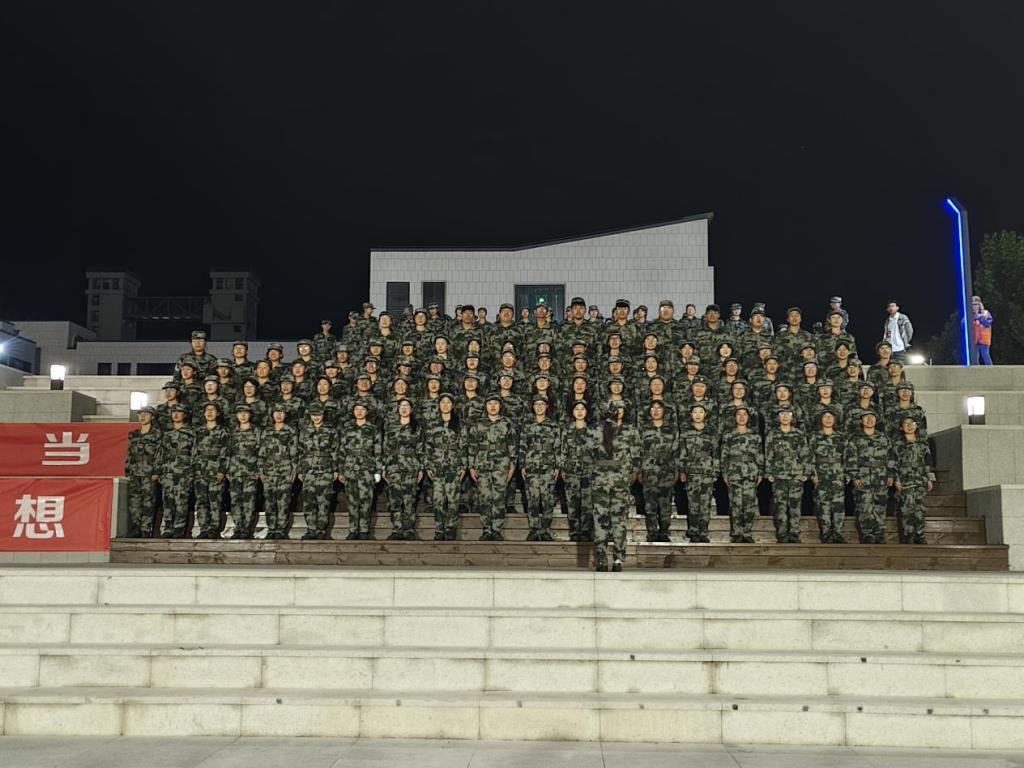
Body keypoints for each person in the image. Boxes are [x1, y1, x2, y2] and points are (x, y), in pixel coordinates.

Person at [590, 403, 641, 571]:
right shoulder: (627, 431)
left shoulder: (595, 430)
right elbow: (635, 458)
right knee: (615, 521)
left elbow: (587, 456)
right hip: (617, 481)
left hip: (604, 481)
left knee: (603, 521)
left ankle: (605, 559)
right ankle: (615, 559)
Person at [468, 395, 517, 541]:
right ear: (485, 406)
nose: (493, 406)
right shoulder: (478, 424)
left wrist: (512, 466)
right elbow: (472, 446)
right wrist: (471, 466)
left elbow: (513, 447)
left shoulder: (507, 424)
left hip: (501, 465)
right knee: (484, 498)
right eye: (490, 403)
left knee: (499, 498)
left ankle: (496, 529)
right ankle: (486, 529)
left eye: (496, 403)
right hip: (482, 465)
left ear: (500, 406)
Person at [844, 412, 894, 544]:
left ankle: (879, 533)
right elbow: (851, 458)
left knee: (880, 506)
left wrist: (890, 474)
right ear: (861, 421)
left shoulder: (883, 438)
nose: (870, 420)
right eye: (866, 418)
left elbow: (891, 457)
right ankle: (867, 534)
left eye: (872, 417)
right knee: (864, 506)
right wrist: (854, 476)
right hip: (863, 476)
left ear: (876, 420)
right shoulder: (854, 438)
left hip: (881, 476)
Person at [518, 396, 561, 541]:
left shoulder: (554, 426)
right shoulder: (527, 426)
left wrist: (557, 466)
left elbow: (558, 447)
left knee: (548, 500)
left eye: (542, 404)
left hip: (548, 467)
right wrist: (522, 465)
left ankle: (546, 529)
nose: (540, 407)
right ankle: (534, 530)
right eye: (537, 404)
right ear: (533, 406)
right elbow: (522, 446)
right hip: (531, 467)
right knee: (533, 500)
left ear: (547, 406)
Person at [765, 406, 811, 543]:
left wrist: (806, 473)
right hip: (779, 476)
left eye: (788, 414)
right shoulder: (772, 434)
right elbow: (768, 455)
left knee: (795, 507)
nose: (785, 416)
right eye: (782, 414)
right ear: (778, 417)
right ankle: (782, 534)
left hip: (796, 476)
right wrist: (769, 472)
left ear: (792, 417)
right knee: (780, 507)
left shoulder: (799, 434)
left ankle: (794, 534)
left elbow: (805, 454)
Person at [422, 394, 464, 540]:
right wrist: (428, 465)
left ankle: (451, 528)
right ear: (439, 405)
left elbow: (464, 445)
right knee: (438, 500)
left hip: (454, 466)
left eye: (448, 402)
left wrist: (464, 465)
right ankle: (439, 529)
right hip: (437, 466)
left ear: (453, 405)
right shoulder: (433, 423)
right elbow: (428, 446)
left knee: (453, 501)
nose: (445, 405)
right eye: (443, 402)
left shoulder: (459, 423)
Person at [719, 406, 764, 543]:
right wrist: (724, 472)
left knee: (749, 505)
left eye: (745, 414)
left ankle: (747, 532)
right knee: (735, 504)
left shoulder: (755, 436)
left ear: (749, 417)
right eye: (739, 414)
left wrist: (760, 472)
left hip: (751, 473)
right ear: (735, 417)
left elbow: (759, 455)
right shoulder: (728, 436)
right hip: (734, 473)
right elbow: (724, 455)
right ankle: (737, 532)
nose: (742, 417)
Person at [297, 403, 339, 540]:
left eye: (319, 414)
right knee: (308, 501)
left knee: (324, 501)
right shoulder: (304, 430)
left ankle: (321, 530)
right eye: (313, 414)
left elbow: (335, 450)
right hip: (308, 470)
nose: (316, 417)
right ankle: (311, 530)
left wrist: (335, 469)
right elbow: (300, 451)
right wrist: (300, 470)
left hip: (325, 469)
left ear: (323, 415)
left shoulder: (331, 430)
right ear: (310, 415)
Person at [639, 401, 679, 543]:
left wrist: (677, 470)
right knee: (650, 506)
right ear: (649, 411)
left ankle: (664, 533)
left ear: (664, 411)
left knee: (665, 506)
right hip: (649, 473)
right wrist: (638, 470)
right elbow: (638, 451)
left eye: (659, 409)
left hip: (667, 473)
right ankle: (652, 533)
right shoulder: (643, 429)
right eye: (653, 408)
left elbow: (676, 451)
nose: (656, 411)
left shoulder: (671, 429)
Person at [679, 403, 719, 543]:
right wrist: (682, 470)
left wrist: (716, 471)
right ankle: (693, 531)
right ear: (691, 414)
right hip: (691, 473)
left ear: (705, 414)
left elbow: (716, 453)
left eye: (700, 412)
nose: (697, 415)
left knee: (705, 504)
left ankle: (703, 532)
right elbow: (682, 453)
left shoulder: (712, 431)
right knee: (692, 504)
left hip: (707, 473)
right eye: (695, 412)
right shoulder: (685, 432)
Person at [382, 399, 421, 540]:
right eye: (401, 406)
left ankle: (408, 530)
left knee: (409, 500)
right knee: (394, 500)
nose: (404, 408)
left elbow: (421, 448)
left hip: (411, 467)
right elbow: (385, 448)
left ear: (411, 409)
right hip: (394, 467)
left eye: (407, 406)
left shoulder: (417, 427)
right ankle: (397, 529)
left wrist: (421, 468)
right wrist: (384, 467)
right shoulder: (391, 427)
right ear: (398, 409)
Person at [891, 416, 934, 544]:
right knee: (907, 510)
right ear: (901, 428)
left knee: (920, 510)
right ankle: (908, 536)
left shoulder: (923, 443)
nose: (909, 426)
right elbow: (893, 463)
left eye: (912, 423)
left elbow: (928, 461)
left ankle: (920, 535)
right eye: (906, 423)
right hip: (905, 481)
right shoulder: (897, 444)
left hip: (920, 480)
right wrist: (896, 479)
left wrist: (929, 478)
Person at [258, 403, 298, 539]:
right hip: (269, 471)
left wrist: (294, 470)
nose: (279, 415)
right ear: (272, 414)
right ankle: (271, 529)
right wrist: (260, 470)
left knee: (283, 501)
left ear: (285, 415)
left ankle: (281, 529)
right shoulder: (266, 431)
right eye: (276, 412)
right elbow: (261, 452)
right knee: (269, 501)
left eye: (281, 412)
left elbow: (294, 452)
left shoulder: (291, 431)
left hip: (285, 470)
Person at [155, 404, 195, 538]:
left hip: (184, 473)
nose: (176, 415)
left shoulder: (191, 433)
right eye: (174, 412)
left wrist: (191, 473)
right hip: (168, 473)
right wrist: (158, 471)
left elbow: (195, 454)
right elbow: (160, 454)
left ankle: (179, 528)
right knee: (168, 501)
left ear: (185, 415)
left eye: (179, 412)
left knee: (181, 501)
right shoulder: (166, 434)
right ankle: (168, 528)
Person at [559, 401, 596, 542]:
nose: (579, 412)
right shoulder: (567, 431)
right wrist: (563, 468)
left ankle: (586, 532)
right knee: (572, 504)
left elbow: (597, 453)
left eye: (582, 409)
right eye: (576, 409)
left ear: (587, 411)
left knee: (587, 505)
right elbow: (563, 451)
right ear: (572, 412)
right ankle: (574, 532)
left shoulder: (593, 431)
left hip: (588, 472)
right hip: (571, 472)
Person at [810, 409, 847, 543]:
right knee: (823, 504)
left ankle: (837, 533)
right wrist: (813, 473)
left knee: (838, 505)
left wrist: (846, 474)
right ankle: (826, 533)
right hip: (821, 473)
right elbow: (809, 456)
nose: (828, 419)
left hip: (838, 474)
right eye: (825, 417)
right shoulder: (814, 437)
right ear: (821, 420)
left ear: (835, 420)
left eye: (831, 417)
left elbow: (847, 457)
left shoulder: (841, 437)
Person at [124, 406, 161, 538]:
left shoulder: (157, 434)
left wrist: (156, 471)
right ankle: (136, 527)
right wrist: (127, 468)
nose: (143, 417)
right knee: (134, 501)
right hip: (135, 471)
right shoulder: (133, 434)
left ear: (152, 417)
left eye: (146, 414)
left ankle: (146, 529)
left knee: (148, 501)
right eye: (141, 414)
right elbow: (129, 453)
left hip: (149, 473)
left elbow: (159, 454)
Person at [192, 402, 228, 539]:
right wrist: (194, 470)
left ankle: (214, 528)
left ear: (217, 413)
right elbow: (194, 452)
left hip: (216, 470)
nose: (210, 412)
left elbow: (226, 452)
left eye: (213, 410)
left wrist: (222, 470)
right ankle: (204, 528)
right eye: (207, 410)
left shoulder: (223, 431)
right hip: (200, 471)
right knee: (201, 502)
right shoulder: (199, 431)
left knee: (215, 501)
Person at [972, 296, 994, 365]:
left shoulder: (985, 313)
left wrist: (979, 318)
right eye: (973, 304)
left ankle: (990, 370)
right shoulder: (969, 315)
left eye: (976, 304)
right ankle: (975, 370)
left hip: (984, 339)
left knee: (985, 356)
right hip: (974, 340)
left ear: (980, 304)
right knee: (974, 358)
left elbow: (988, 323)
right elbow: (963, 323)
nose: (974, 306)